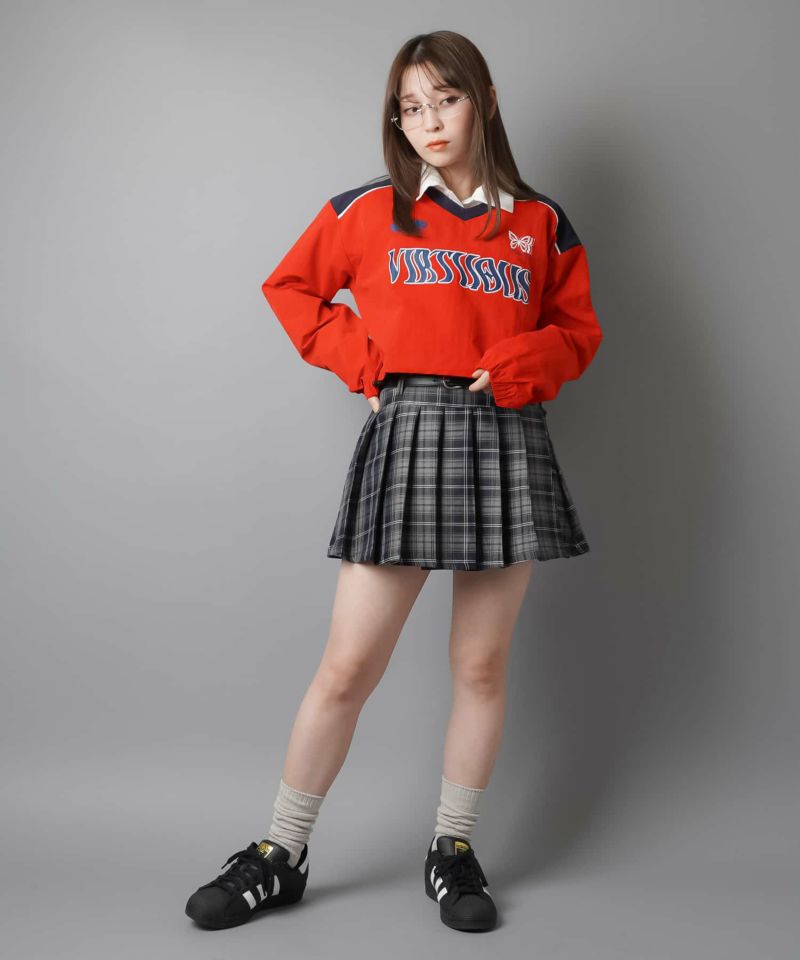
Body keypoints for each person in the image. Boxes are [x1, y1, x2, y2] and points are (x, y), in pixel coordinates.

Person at [185, 29, 603, 935]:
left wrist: (523, 363)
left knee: (480, 666)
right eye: (410, 108)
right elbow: (293, 290)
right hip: (408, 429)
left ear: (485, 101)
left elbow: (578, 332)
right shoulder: (366, 209)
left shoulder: (541, 222)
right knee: (347, 668)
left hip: (505, 434)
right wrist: (364, 363)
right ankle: (281, 853)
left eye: (445, 100)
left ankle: (452, 848)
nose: (428, 122)